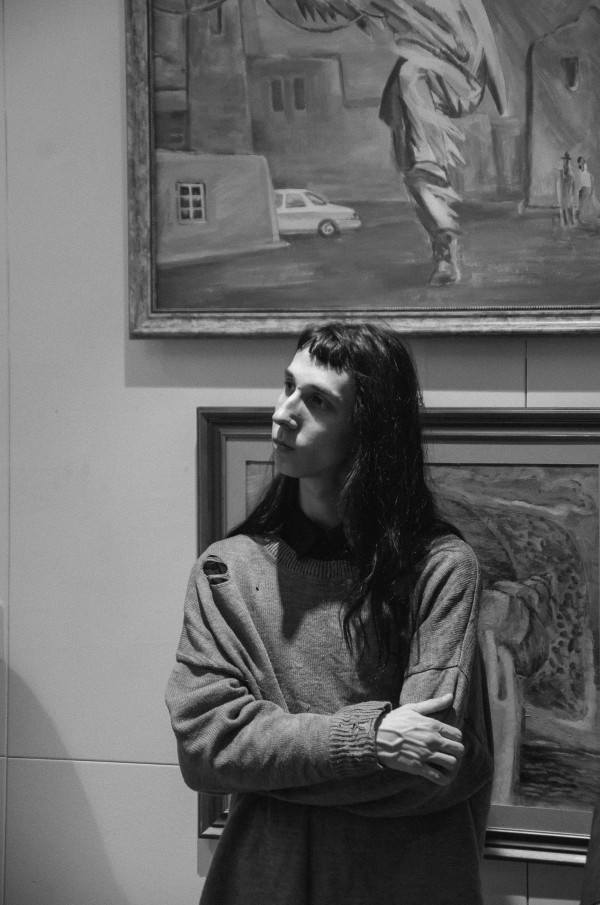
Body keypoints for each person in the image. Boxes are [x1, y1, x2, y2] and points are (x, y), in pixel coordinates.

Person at [166, 321, 494, 905]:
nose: (283, 413)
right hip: (265, 883)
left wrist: (267, 761)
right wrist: (367, 740)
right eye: (287, 386)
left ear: (370, 428)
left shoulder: (439, 568)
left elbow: (425, 771)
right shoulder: (227, 571)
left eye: (317, 401)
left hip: (406, 883)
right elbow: (205, 749)